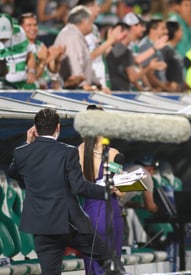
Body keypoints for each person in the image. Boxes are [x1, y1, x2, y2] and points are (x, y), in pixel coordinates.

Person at [6, 108, 124, 275]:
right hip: (69, 223)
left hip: (42, 226)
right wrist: (106, 191)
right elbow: (79, 187)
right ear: (58, 128)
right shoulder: (67, 152)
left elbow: (12, 172)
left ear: (35, 129)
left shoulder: (21, 153)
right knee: (109, 261)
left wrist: (28, 143)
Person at [77, 105, 125, 275]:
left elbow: (77, 186)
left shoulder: (79, 151)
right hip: (110, 212)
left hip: (88, 213)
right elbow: (120, 192)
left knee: (92, 266)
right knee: (113, 264)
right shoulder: (113, 154)